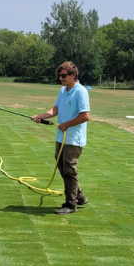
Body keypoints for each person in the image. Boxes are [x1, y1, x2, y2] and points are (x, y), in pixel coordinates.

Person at [32, 61, 90, 214]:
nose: (61, 79)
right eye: (59, 76)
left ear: (73, 75)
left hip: (73, 138)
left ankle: (71, 204)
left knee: (69, 170)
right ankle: (80, 196)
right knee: (62, 167)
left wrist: (68, 124)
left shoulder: (81, 92)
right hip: (61, 137)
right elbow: (56, 109)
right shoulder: (63, 90)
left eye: (64, 76)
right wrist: (41, 116)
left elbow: (85, 116)